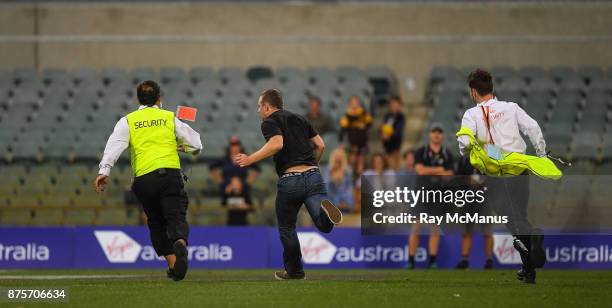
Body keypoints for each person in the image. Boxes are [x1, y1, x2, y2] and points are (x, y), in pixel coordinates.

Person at [94, 80, 202, 282]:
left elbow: (114, 147)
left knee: (156, 222)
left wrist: (104, 171)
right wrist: (183, 148)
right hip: (169, 175)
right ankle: (179, 242)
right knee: (175, 216)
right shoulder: (169, 117)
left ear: (138, 99)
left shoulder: (128, 120)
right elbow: (196, 145)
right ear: (159, 98)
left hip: (144, 180)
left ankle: (173, 267)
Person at [233, 89, 343, 280]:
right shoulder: (300, 118)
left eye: (259, 106)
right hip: (313, 175)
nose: (258, 110)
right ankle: (325, 214)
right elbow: (321, 145)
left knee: (287, 228)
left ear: (267, 106)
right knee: (324, 226)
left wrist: (250, 159)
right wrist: (312, 166)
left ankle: (295, 271)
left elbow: (277, 144)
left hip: (290, 179)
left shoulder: (269, 122)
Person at [457, 69, 547, 283]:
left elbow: (466, 143)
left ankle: (532, 236)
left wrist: (467, 150)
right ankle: (529, 271)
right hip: (520, 166)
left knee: (512, 220)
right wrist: (542, 154)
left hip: (497, 171)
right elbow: (533, 127)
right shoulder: (510, 107)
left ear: (473, 92)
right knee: (519, 217)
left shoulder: (472, 114)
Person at [408, 123, 454, 269]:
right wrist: (439, 169)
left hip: (438, 193)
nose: (436, 134)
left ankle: (432, 260)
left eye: (439, 131)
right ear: (429, 134)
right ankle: (411, 260)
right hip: (421, 193)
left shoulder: (447, 153)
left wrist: (431, 170)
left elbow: (450, 174)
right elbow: (419, 171)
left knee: (435, 228)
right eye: (434, 131)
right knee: (416, 227)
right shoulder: (421, 151)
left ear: (442, 135)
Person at [455, 155, 494, 270]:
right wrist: (468, 181)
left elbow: (495, 172)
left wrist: (482, 182)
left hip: (485, 197)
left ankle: (489, 260)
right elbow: (458, 177)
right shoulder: (463, 158)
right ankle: (464, 259)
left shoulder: (489, 153)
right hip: (468, 198)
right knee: (467, 230)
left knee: (487, 229)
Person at [339, 96, 372, 179]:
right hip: (352, 143)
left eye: (356, 102)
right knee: (352, 161)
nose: (354, 105)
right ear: (349, 104)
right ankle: (351, 180)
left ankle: (360, 182)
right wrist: (341, 142)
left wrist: (365, 126)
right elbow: (342, 130)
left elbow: (369, 123)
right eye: (352, 103)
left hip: (362, 142)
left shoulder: (363, 113)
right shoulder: (347, 115)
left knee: (361, 163)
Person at [324, 147, 354, 213]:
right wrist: (332, 176)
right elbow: (326, 187)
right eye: (336, 156)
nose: (338, 158)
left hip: (345, 199)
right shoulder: (329, 169)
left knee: (348, 199)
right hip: (331, 197)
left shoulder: (348, 170)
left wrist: (344, 200)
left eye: (340, 156)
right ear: (333, 157)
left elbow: (349, 187)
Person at [381, 96, 406, 170]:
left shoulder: (401, 117)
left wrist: (389, 134)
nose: (394, 107)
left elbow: (399, 130)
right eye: (393, 105)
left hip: (395, 143)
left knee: (395, 165)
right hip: (387, 144)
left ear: (399, 106)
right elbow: (383, 127)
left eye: (396, 105)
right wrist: (383, 134)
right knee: (388, 165)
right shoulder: (387, 116)